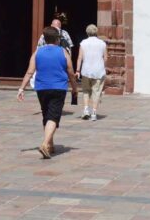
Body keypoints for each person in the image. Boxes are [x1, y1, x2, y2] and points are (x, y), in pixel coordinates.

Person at [19, 26, 77, 159]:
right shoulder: (63, 52)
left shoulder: (38, 52)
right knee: (53, 116)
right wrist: (74, 88)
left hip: (42, 88)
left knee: (47, 114)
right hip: (58, 88)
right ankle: (45, 144)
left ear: (44, 39)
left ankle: (50, 145)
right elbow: (71, 72)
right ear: (57, 39)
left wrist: (21, 88)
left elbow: (30, 71)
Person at [76, 24, 107, 121]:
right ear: (96, 32)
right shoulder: (102, 43)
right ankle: (93, 113)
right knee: (96, 92)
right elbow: (105, 57)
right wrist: (102, 66)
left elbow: (80, 58)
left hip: (86, 70)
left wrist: (77, 70)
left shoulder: (83, 43)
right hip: (98, 71)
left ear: (87, 32)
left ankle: (86, 110)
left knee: (86, 90)